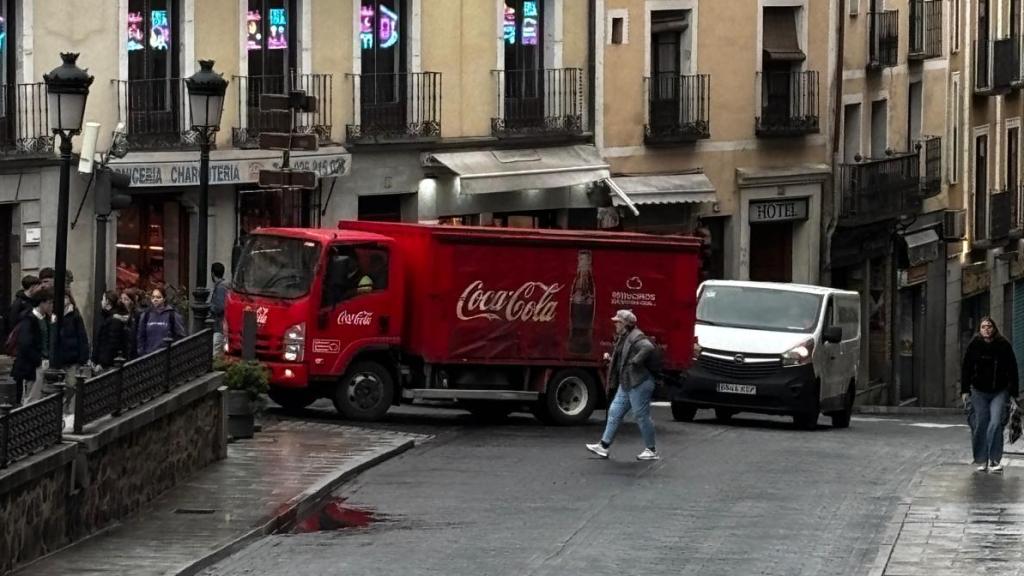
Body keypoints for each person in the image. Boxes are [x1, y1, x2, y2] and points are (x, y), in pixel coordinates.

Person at [586, 309, 660, 461]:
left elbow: (648, 347)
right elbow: (622, 355)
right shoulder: (624, 337)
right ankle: (603, 446)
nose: (615, 324)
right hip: (627, 382)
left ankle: (651, 450)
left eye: (618, 322)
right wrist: (611, 358)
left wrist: (636, 361)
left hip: (639, 383)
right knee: (614, 412)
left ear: (626, 324)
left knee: (641, 416)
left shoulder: (636, 336)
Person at [961, 317, 1019, 473]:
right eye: (983, 327)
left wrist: (1014, 394)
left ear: (994, 328)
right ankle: (981, 459)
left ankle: (994, 460)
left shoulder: (1003, 346)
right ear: (979, 330)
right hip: (978, 392)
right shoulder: (974, 346)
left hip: (999, 392)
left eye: (989, 326)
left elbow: (1013, 369)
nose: (986, 329)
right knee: (980, 424)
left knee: (995, 423)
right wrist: (965, 390)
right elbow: (966, 368)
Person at [11, 287, 53, 405]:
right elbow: (25, 344)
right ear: (41, 303)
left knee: (40, 397)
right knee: (31, 398)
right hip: (32, 365)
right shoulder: (29, 319)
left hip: (43, 362)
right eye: (49, 303)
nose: (51, 306)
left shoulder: (46, 319)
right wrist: (38, 360)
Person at [136, 287, 185, 356]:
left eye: (158, 297)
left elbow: (180, 336)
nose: (155, 300)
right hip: (148, 355)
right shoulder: (146, 315)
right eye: (153, 297)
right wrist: (141, 352)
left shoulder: (172, 315)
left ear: (164, 299)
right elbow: (141, 336)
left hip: (167, 356)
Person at [92, 291, 131, 371]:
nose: (101, 302)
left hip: (109, 364)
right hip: (104, 362)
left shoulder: (114, 320)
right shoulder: (107, 317)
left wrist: (102, 363)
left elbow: (111, 344)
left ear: (107, 302)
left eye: (103, 299)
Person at [5, 275, 41, 342]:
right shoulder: (18, 303)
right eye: (37, 287)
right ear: (32, 287)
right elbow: (12, 322)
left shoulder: (36, 301)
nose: (40, 289)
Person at [210, 262, 228, 356]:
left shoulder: (220, 288)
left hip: (219, 327)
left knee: (215, 353)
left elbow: (220, 307)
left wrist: (211, 307)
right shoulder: (224, 286)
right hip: (221, 327)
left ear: (212, 273)